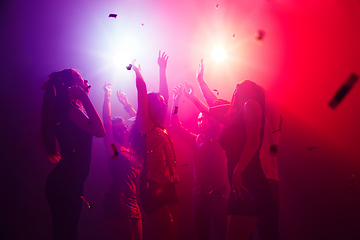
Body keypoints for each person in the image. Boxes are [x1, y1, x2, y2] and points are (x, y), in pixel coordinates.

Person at [40, 69, 105, 240]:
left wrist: (81, 98)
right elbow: (100, 131)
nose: (86, 81)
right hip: (66, 183)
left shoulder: (69, 109)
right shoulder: (71, 111)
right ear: (72, 85)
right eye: (81, 79)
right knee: (67, 234)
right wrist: (84, 98)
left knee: (65, 234)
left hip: (66, 182)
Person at [211, 80, 273, 240]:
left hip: (249, 182)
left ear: (254, 93)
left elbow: (253, 141)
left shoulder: (252, 104)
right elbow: (210, 110)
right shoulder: (237, 116)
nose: (239, 84)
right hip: (242, 183)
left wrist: (237, 171)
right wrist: (193, 96)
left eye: (245, 83)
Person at [129, 51, 180, 240]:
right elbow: (142, 90)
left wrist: (162, 70)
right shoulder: (146, 126)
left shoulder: (161, 127)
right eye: (160, 102)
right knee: (168, 237)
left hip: (169, 187)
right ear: (151, 107)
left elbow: (164, 96)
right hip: (152, 187)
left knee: (174, 236)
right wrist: (137, 71)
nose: (164, 104)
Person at [170, 83, 228, 240]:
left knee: (224, 235)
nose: (201, 122)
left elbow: (217, 119)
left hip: (217, 195)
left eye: (204, 119)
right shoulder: (196, 140)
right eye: (199, 120)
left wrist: (193, 97)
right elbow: (175, 126)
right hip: (198, 197)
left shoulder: (219, 136)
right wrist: (175, 103)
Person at [102, 82, 142, 240]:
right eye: (118, 129)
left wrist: (127, 105)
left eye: (124, 127)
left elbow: (141, 125)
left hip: (133, 200)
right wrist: (107, 96)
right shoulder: (113, 147)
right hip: (117, 200)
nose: (124, 130)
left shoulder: (133, 149)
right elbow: (106, 120)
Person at [254, 97, 282, 240]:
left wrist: (260, 93)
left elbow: (274, 112)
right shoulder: (247, 127)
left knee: (269, 231)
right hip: (252, 182)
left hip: (269, 181)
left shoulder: (271, 125)